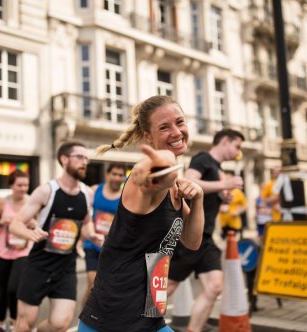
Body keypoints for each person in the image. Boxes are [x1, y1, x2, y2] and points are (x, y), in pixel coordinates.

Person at [79, 95, 204, 332]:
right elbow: (159, 168)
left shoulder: (177, 185)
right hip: (114, 320)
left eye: (180, 122)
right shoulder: (148, 178)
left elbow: (192, 241)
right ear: (149, 136)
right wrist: (160, 166)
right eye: (164, 127)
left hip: (148, 315)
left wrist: (197, 199)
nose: (176, 132)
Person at [10, 142, 104, 332]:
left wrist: (92, 235)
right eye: (79, 157)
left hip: (66, 267)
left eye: (86, 158)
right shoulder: (47, 191)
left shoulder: (88, 194)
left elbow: (85, 223)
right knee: (24, 325)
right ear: (64, 159)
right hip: (39, 265)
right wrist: (29, 233)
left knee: (60, 323)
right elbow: (15, 224)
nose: (84, 162)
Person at [167, 128, 244, 332]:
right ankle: (128, 322)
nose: (238, 152)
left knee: (214, 287)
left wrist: (223, 194)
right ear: (225, 141)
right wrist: (224, 184)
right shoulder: (204, 159)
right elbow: (189, 182)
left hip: (206, 237)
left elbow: (208, 192)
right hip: (187, 235)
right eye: (237, 146)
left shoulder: (217, 167)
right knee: (166, 288)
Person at [0, 170, 33, 332]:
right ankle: (1, 323)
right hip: (3, 252)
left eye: (26, 185)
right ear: (11, 185)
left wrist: (32, 223)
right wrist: (0, 222)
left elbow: (39, 225)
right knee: (3, 290)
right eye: (19, 185)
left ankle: (14, 322)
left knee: (13, 289)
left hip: (23, 252)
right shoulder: (1, 203)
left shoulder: (32, 202)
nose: (23, 188)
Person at [82, 163, 126, 305]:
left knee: (107, 289)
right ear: (108, 174)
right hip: (92, 245)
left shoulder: (126, 196)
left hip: (112, 248)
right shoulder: (95, 190)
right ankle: (83, 319)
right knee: (93, 285)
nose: (117, 178)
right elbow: (85, 216)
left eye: (120, 175)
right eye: (114, 174)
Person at [219, 173, 247, 239]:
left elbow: (245, 206)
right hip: (223, 223)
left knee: (233, 243)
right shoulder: (222, 191)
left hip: (234, 223)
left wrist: (237, 212)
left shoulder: (237, 192)